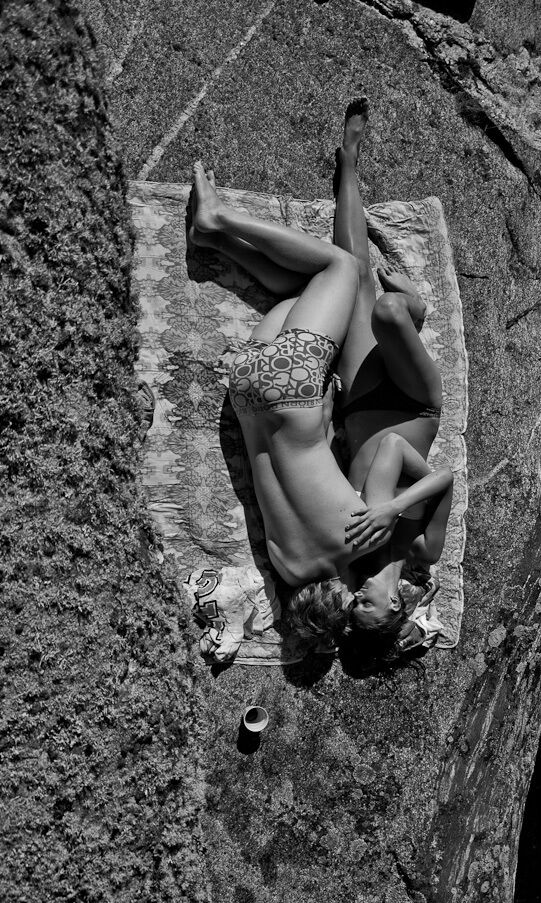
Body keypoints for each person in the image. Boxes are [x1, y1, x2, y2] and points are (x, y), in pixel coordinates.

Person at [189, 160, 386, 644]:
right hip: (245, 392)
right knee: (304, 290)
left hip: (291, 388)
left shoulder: (361, 544)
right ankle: (213, 241)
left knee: (341, 268)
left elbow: (334, 458)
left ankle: (220, 218)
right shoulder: (286, 566)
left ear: (343, 596)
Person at [331, 99, 453, 649]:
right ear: (396, 605)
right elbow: (436, 473)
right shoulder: (423, 549)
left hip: (358, 403)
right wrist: (394, 507)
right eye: (367, 608)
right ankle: (415, 308)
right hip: (413, 404)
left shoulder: (353, 561)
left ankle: (349, 164)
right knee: (388, 311)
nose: (356, 600)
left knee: (353, 278)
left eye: (352, 606)